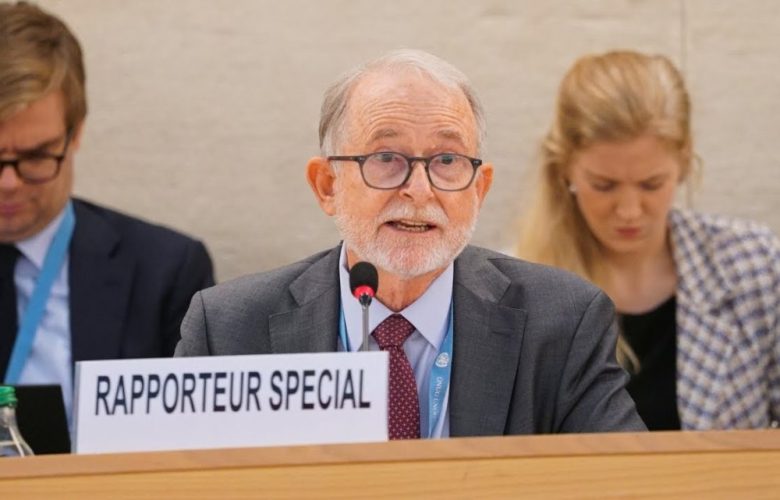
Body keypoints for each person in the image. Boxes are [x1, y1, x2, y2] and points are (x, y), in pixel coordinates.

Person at [176, 49, 643, 438]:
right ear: (327, 185)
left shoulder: (562, 322)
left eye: (447, 160)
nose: (419, 191)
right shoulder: (229, 331)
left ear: (479, 190)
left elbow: (626, 482)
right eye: (386, 157)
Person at [515, 50, 780, 430]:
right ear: (565, 169)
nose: (629, 210)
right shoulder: (519, 292)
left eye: (651, 184)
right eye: (603, 185)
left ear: (684, 163)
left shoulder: (752, 266)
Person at [0, 2, 214, 424]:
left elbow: (190, 439)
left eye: (36, 156)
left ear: (76, 133)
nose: (8, 182)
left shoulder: (165, 272)